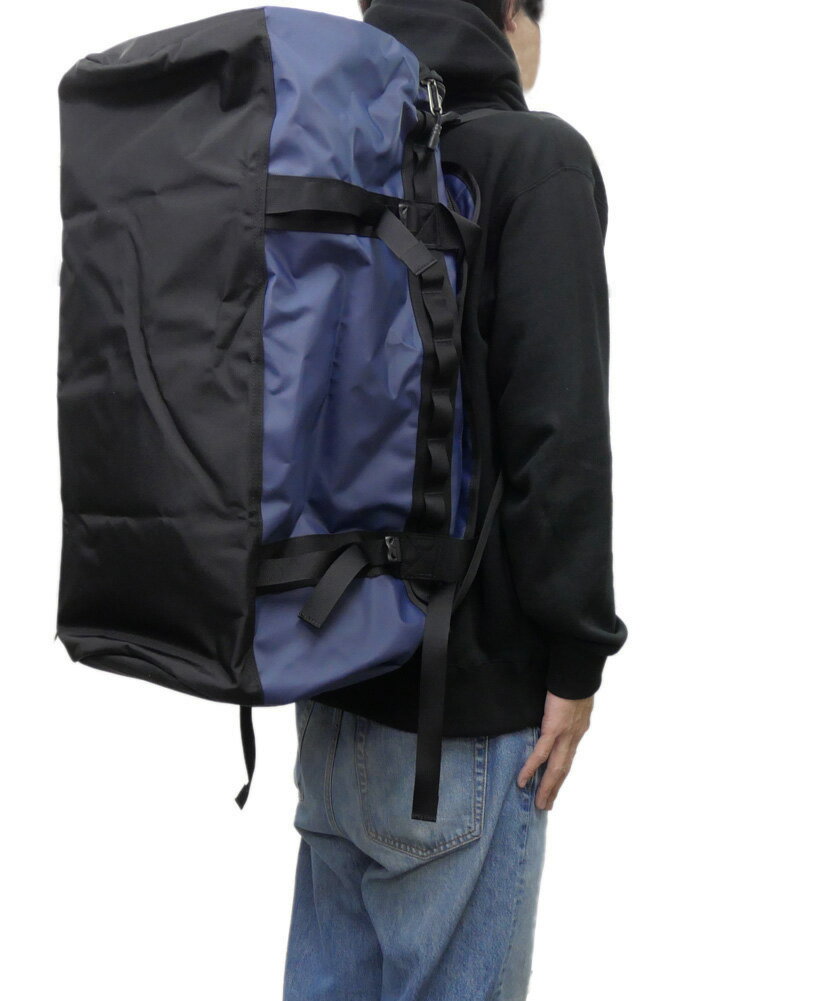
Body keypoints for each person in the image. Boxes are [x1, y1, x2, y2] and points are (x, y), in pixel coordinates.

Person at [284, 1, 629, 998]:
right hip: (464, 723)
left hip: (330, 684)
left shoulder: (336, 158)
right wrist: (576, 655)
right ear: (511, 16)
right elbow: (558, 433)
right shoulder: (534, 159)